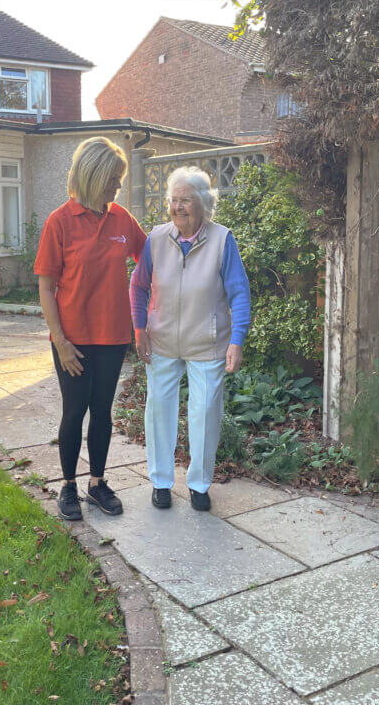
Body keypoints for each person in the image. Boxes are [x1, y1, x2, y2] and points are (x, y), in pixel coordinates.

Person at [34, 137, 147, 520]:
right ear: (93, 175)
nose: (117, 187)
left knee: (102, 411)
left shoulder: (121, 220)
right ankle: (67, 486)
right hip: (73, 340)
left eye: (119, 180)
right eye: (113, 179)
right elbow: (46, 288)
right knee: (74, 410)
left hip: (113, 337)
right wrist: (61, 342)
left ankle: (97, 483)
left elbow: (149, 258)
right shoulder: (59, 222)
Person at [129, 166, 250, 512]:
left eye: (186, 200)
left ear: (204, 204)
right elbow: (138, 286)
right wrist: (140, 328)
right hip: (162, 339)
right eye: (174, 200)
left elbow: (239, 293)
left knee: (206, 413)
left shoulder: (222, 240)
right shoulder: (156, 239)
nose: (178, 207)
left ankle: (199, 484)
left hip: (207, 342)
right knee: (159, 411)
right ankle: (161, 483)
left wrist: (236, 340)